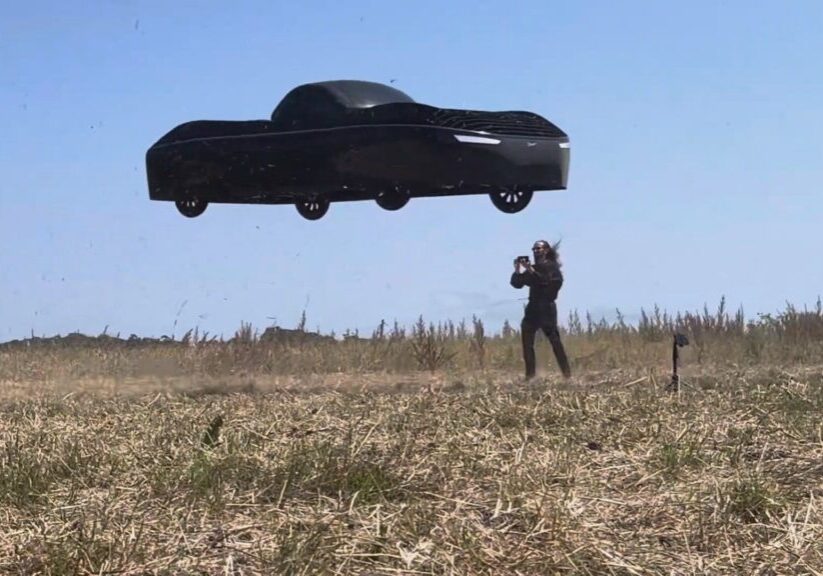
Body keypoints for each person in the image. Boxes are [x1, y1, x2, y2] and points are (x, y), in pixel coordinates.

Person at [510, 240, 572, 379]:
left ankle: (567, 374)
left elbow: (545, 282)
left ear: (546, 250)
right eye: (534, 249)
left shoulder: (552, 268)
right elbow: (517, 284)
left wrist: (531, 270)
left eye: (538, 249)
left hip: (546, 308)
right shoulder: (533, 268)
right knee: (527, 341)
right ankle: (530, 376)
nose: (535, 252)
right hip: (533, 308)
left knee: (554, 341)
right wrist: (517, 270)